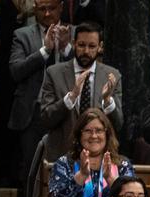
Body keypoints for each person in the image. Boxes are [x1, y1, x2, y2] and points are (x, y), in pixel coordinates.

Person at [8, 0, 72, 197]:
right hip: (34, 112)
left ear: (61, 7)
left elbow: (87, 68)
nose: (46, 14)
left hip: (66, 112)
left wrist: (67, 48)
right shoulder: (23, 35)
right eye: (41, 9)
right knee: (32, 170)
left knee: (66, 167)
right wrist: (44, 51)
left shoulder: (76, 33)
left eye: (51, 8)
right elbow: (15, 71)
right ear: (34, 9)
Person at [36, 22, 123, 164]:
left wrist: (107, 100)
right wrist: (71, 97)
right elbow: (46, 119)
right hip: (61, 158)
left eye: (92, 46)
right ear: (73, 43)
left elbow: (118, 124)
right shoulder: (54, 73)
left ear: (100, 47)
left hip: (99, 160)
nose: (86, 51)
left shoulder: (112, 75)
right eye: (81, 45)